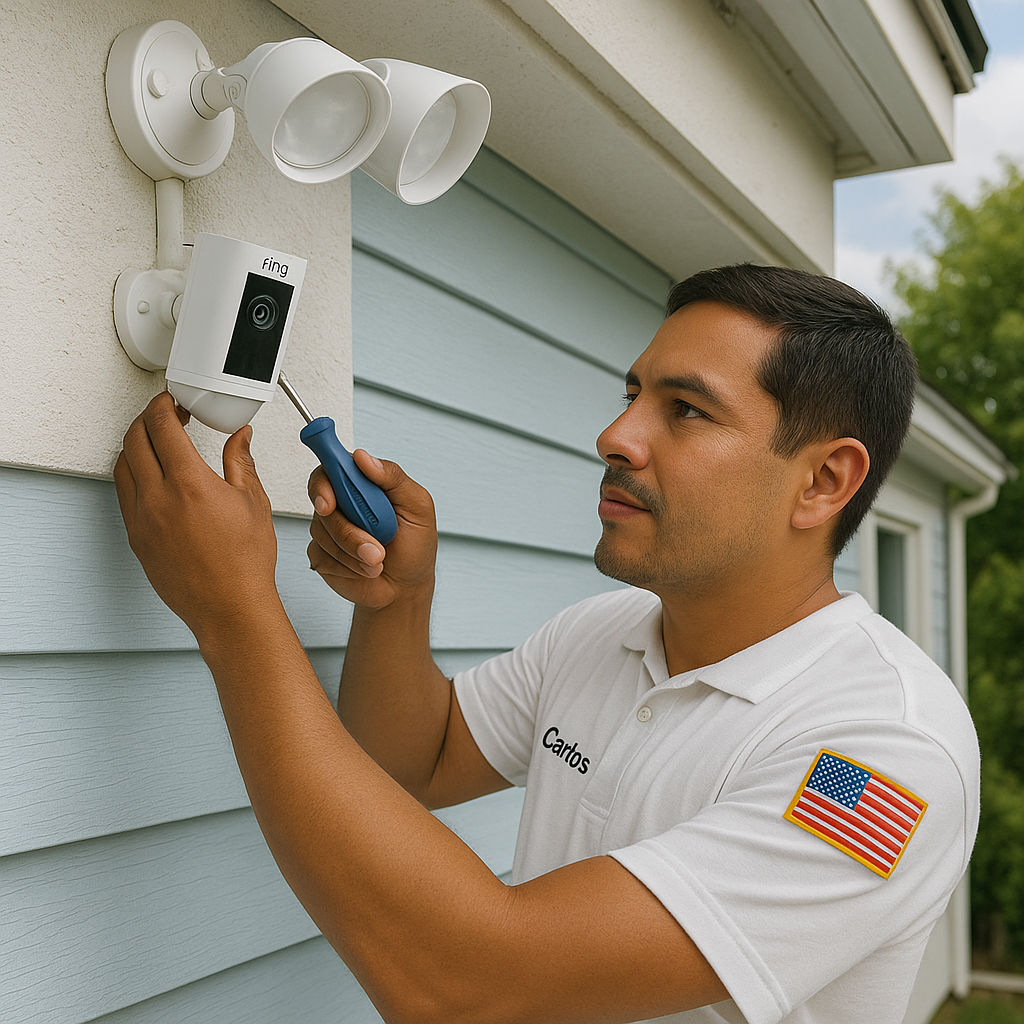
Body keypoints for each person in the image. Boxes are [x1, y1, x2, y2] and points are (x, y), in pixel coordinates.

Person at [115, 263, 979, 1024]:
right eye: (631, 394)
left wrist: (234, 612)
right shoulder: (605, 635)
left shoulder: (882, 759)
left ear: (824, 481)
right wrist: (397, 602)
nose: (616, 436)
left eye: (684, 409)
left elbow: (465, 986)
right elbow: (414, 760)